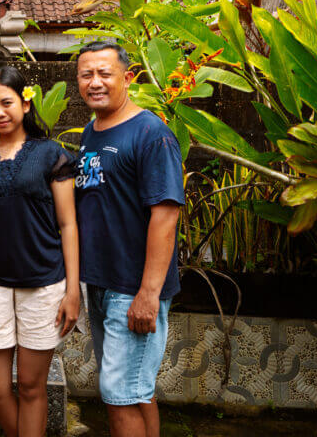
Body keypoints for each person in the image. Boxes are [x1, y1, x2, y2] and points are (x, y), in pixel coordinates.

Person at [0, 66, 80, 437]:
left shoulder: (51, 154)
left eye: (7, 102)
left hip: (43, 285)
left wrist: (73, 291)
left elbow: (68, 224)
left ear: (25, 104)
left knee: (31, 387)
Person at [74, 40, 183, 437]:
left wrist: (148, 293)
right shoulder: (92, 130)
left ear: (128, 77)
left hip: (133, 287)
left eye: (105, 73)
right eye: (87, 75)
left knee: (117, 393)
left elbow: (165, 215)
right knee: (136, 391)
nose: (95, 82)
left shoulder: (152, 133)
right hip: (102, 282)